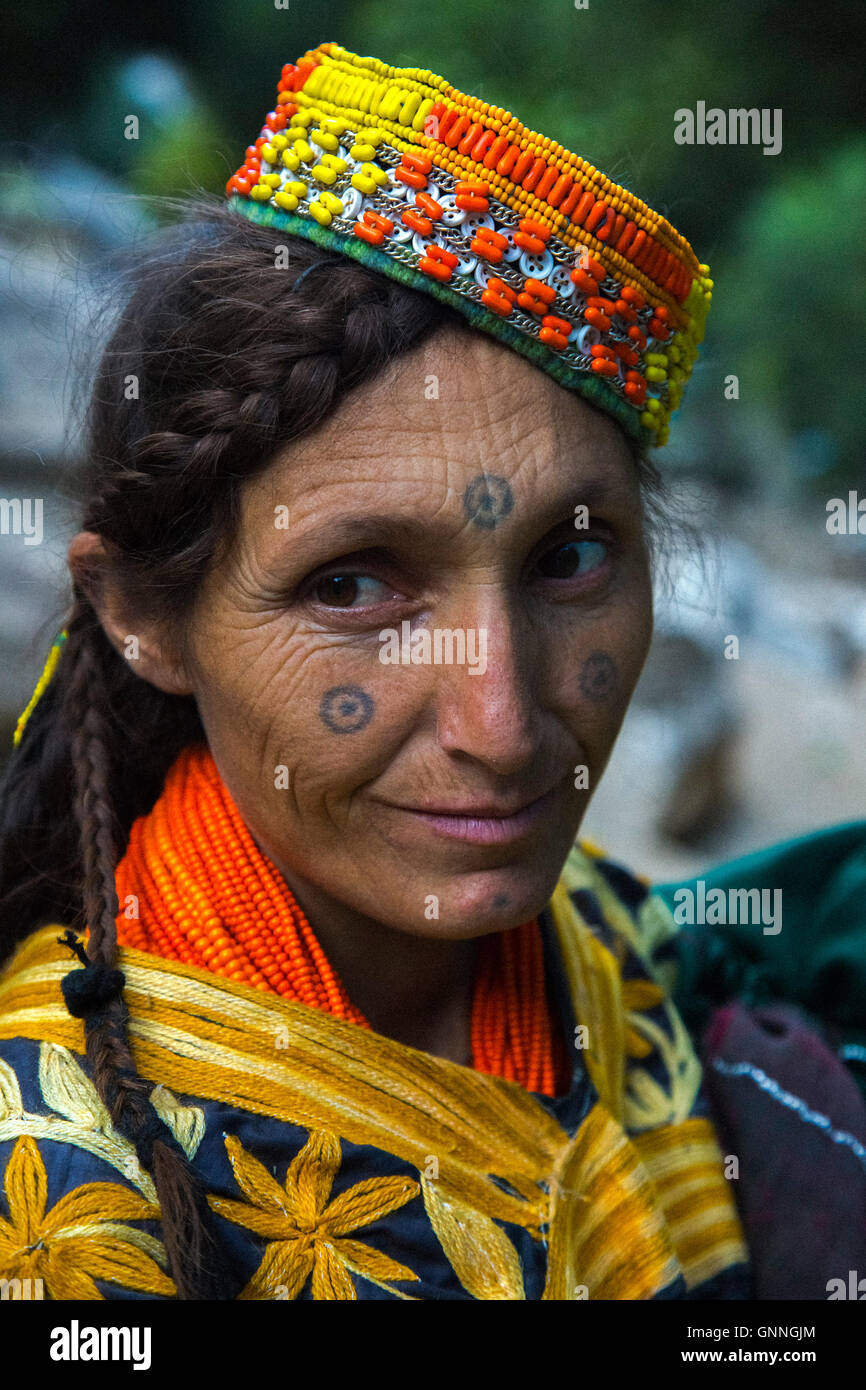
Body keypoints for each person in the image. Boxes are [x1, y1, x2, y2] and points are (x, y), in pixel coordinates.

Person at [0, 40, 852, 1302]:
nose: (503, 725)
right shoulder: (66, 1208)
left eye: (569, 558)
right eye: (352, 585)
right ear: (141, 615)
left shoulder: (605, 942)